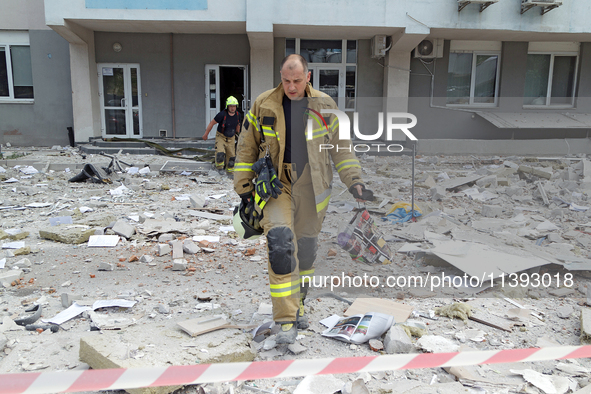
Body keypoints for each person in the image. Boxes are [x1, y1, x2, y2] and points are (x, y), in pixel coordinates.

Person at [233, 54, 373, 344]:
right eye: (286, 80)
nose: (291, 87)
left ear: (307, 77)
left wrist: (355, 182)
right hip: (276, 186)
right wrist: (244, 187)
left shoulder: (325, 105)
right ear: (281, 77)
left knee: (306, 251)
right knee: (281, 244)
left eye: (297, 81)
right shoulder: (264, 104)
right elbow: (247, 146)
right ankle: (285, 320)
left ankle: (300, 304)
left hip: (313, 186)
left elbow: (342, 150)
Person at [203, 96, 242, 173]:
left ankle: (230, 171)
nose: (232, 108)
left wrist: (239, 135)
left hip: (231, 138)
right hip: (221, 136)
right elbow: (212, 123)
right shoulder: (221, 115)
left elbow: (238, 125)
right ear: (227, 106)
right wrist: (206, 134)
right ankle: (219, 169)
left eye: (234, 106)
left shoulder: (238, 115)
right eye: (231, 106)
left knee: (231, 157)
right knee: (220, 153)